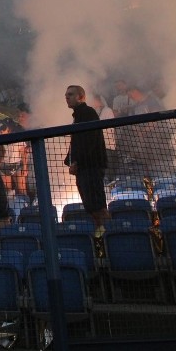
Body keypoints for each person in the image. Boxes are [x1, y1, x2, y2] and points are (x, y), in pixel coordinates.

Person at [64, 85, 110, 237]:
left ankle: (108, 235)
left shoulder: (87, 112)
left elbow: (89, 140)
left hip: (91, 167)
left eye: (70, 94)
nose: (67, 97)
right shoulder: (78, 115)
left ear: (81, 96)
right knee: (91, 205)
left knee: (97, 205)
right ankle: (101, 235)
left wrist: (77, 162)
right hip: (85, 167)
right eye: (66, 95)